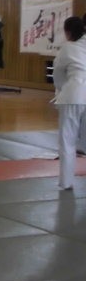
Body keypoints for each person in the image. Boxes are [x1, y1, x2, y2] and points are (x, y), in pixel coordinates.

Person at [52, 16, 86, 190]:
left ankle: (66, 182)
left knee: (67, 140)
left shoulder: (68, 48)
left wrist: (61, 90)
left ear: (68, 32)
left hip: (73, 96)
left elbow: (58, 74)